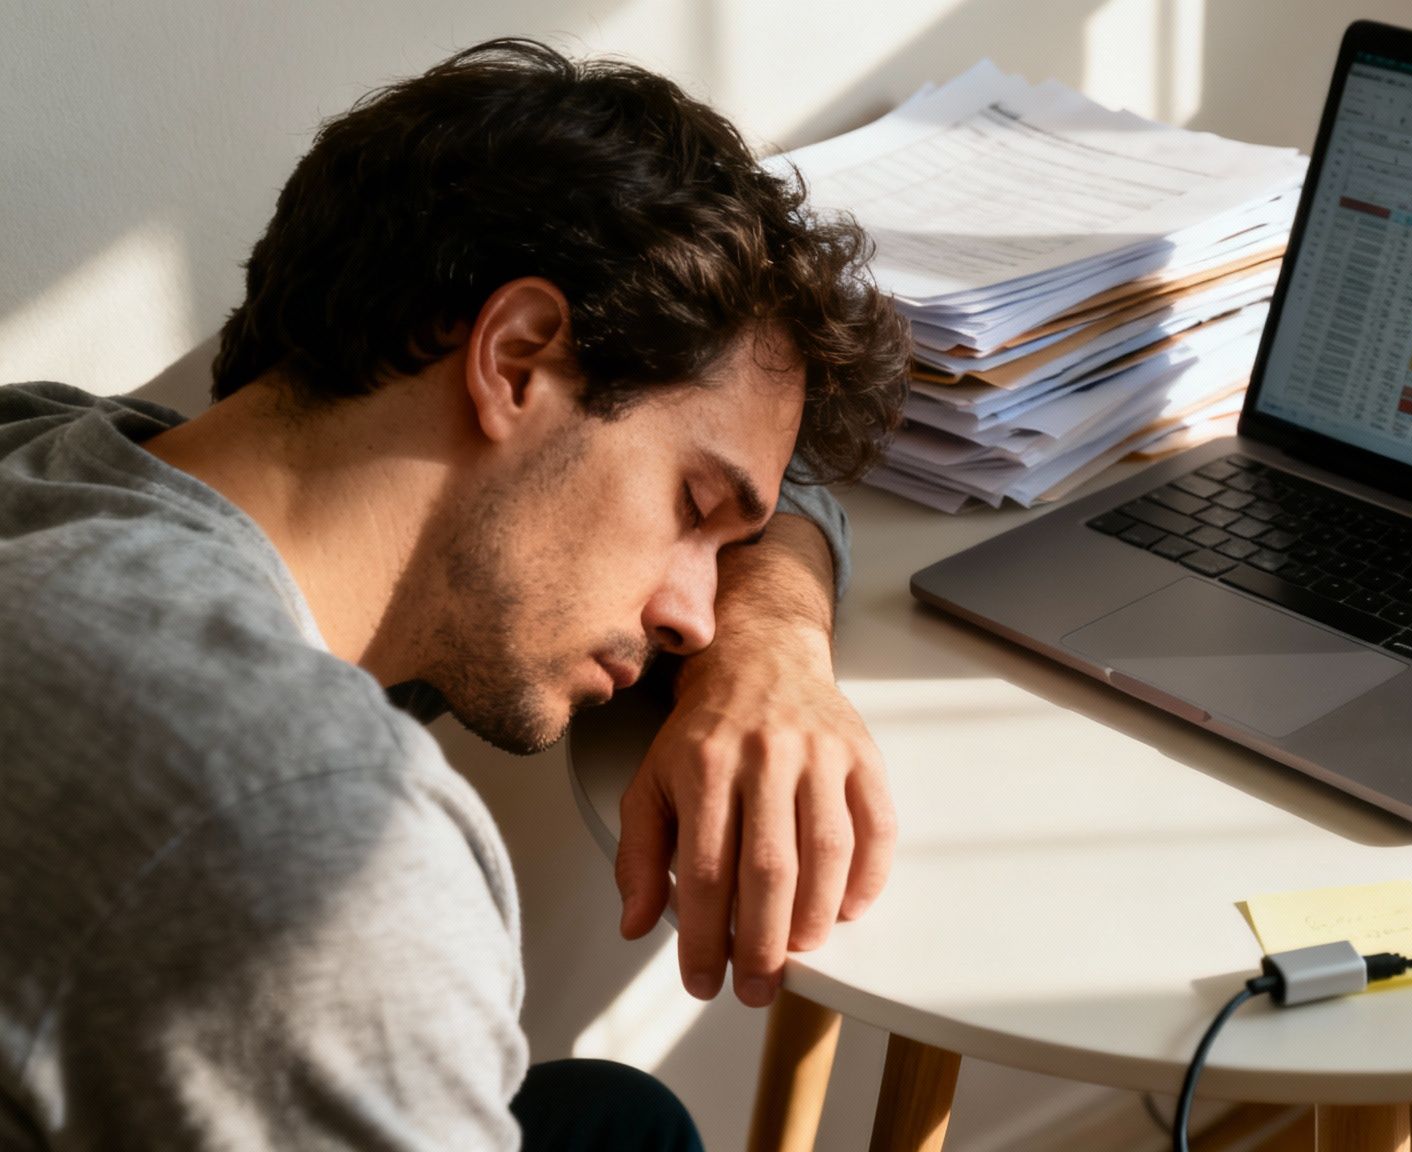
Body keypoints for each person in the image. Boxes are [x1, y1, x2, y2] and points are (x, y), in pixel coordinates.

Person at [0, 38, 908, 1149]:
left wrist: (765, 651)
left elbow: (790, 479)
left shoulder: (51, 450)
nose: (690, 616)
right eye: (692, 508)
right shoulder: (308, 830)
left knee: (614, 1121)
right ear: (515, 360)